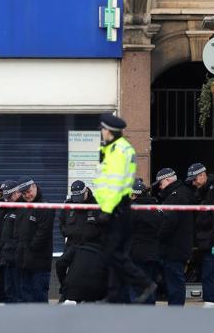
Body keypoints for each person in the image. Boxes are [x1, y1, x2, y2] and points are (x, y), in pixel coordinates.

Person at [93, 113, 157, 304]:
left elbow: (117, 183)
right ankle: (115, 296)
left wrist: (107, 209)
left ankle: (144, 283)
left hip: (117, 208)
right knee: (114, 254)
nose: (101, 134)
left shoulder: (120, 150)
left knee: (113, 253)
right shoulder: (110, 148)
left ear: (109, 131)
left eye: (103, 130)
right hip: (112, 207)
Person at [153, 167, 195, 306]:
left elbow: (168, 223)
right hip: (178, 247)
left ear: (168, 180)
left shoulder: (176, 197)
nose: (160, 186)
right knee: (174, 281)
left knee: (174, 283)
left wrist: (156, 238)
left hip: (174, 249)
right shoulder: (182, 193)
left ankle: (175, 313)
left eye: (161, 183)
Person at [185, 163, 214, 308]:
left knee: (210, 273)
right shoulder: (203, 191)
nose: (193, 183)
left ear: (202, 175)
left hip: (211, 242)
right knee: (207, 272)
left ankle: (211, 301)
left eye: (195, 179)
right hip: (205, 242)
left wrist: (213, 241)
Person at [15, 177, 54, 303]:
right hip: (23, 260)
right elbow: (17, 228)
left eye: (28, 192)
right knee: (24, 294)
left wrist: (30, 249)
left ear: (34, 186)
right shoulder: (21, 204)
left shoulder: (44, 205)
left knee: (39, 294)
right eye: (24, 193)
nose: (27, 195)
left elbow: (43, 233)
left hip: (39, 261)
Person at [129, 178, 163, 304]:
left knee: (135, 285)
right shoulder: (155, 207)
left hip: (135, 253)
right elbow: (162, 226)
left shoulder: (132, 209)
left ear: (134, 194)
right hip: (153, 253)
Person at [56, 233, 109, 303]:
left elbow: (60, 263)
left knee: (62, 310)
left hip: (72, 289)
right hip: (96, 291)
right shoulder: (106, 254)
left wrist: (64, 282)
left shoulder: (77, 248)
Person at [0, 180, 23, 303]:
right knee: (8, 290)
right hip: (6, 256)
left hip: (17, 258)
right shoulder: (7, 210)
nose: (7, 200)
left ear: (17, 193)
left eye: (9, 197)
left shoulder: (22, 209)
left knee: (17, 291)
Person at [59, 180, 102, 251]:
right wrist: (67, 232)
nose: (78, 201)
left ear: (86, 192)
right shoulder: (69, 205)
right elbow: (61, 222)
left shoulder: (96, 205)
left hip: (91, 248)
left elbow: (103, 226)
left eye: (80, 197)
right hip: (71, 246)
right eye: (76, 197)